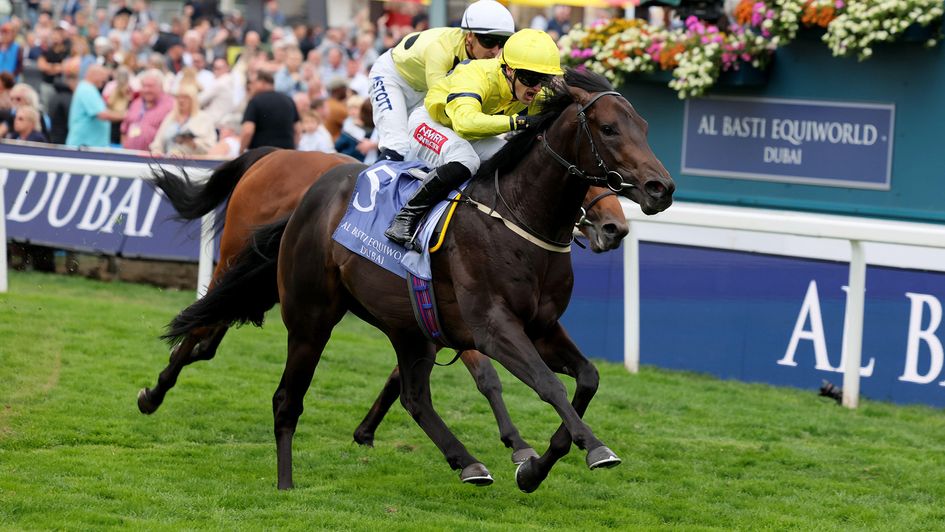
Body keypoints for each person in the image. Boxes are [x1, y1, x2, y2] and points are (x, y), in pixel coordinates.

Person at [384, 28, 562, 247]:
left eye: (544, 80)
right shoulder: (477, 75)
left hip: (467, 133)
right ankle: (405, 218)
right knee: (466, 159)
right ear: (508, 70)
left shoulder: (528, 88)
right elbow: (465, 123)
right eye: (531, 78)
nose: (536, 88)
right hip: (430, 124)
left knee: (518, 160)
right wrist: (519, 122)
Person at [368, 0, 515, 163]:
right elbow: (439, 104)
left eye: (502, 42)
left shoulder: (491, 57)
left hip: (422, 89)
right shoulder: (440, 49)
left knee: (423, 154)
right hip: (392, 78)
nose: (495, 50)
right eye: (488, 41)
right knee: (397, 147)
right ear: (470, 36)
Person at [150, 82, 217, 156]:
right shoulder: (171, 116)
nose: (181, 100)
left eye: (186, 97)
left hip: (191, 163)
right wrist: (156, 151)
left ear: (193, 100)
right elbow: (158, 142)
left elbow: (210, 148)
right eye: (179, 97)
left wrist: (193, 144)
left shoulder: (204, 118)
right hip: (167, 162)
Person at [66, 64, 125, 147]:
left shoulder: (88, 88)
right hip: (84, 147)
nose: (105, 80)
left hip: (89, 146)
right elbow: (102, 114)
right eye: (103, 77)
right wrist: (126, 115)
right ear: (95, 75)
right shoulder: (87, 89)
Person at [240, 69, 299, 151]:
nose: (249, 86)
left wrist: (241, 150)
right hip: (286, 155)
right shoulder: (289, 100)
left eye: (252, 83)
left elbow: (248, 131)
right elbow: (297, 129)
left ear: (263, 83)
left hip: (262, 156)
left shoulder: (255, 101)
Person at [120, 68, 174, 150]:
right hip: (130, 156)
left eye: (150, 86)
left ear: (161, 87)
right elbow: (124, 130)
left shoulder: (170, 105)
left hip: (154, 158)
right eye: (144, 86)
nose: (146, 90)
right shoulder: (136, 103)